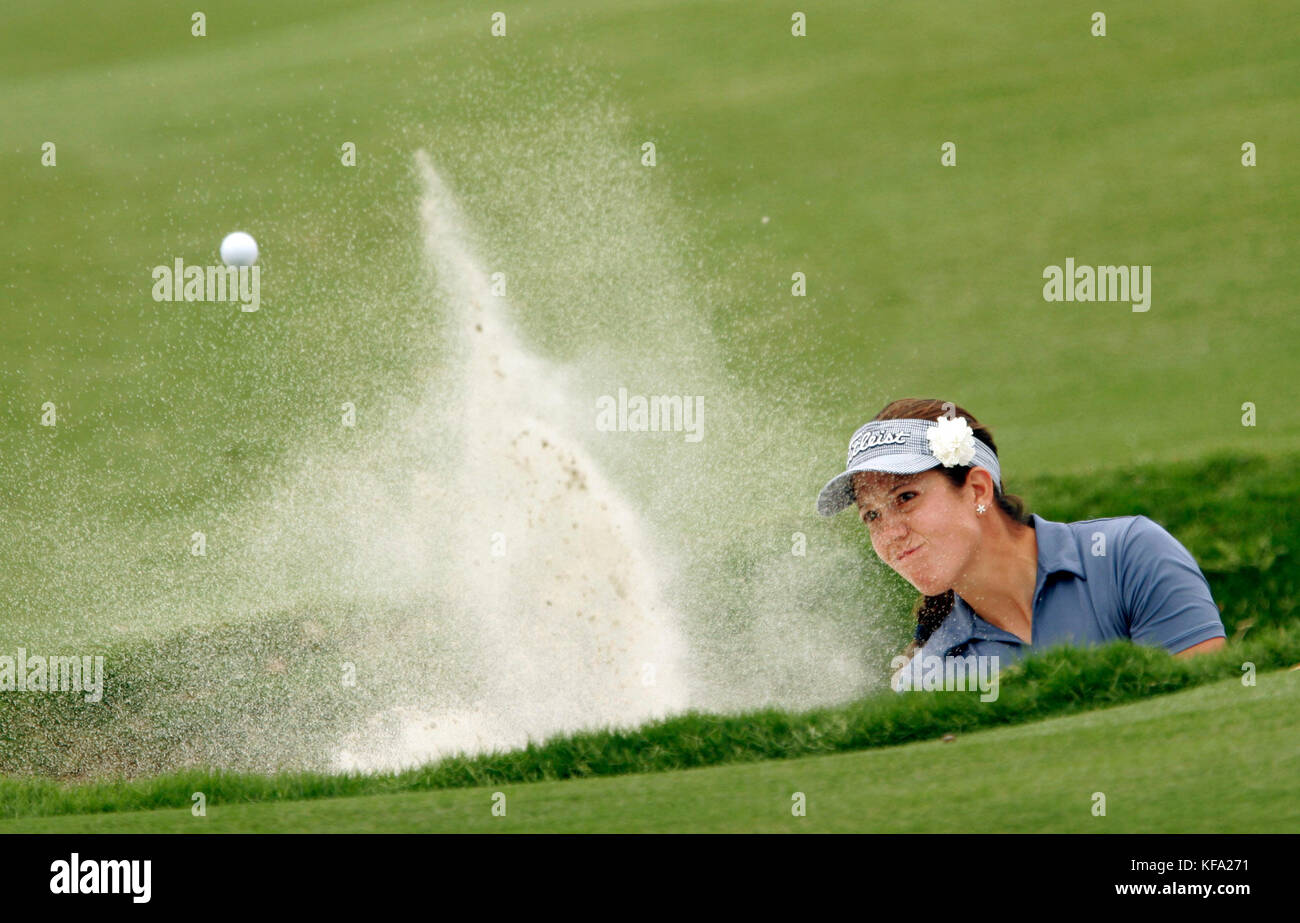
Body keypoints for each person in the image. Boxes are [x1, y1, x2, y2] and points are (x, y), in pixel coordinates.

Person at [816, 398, 1227, 690]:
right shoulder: (928, 678)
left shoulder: (1129, 555)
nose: (890, 535)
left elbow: (1204, 713)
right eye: (872, 515)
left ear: (977, 490)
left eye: (906, 498)